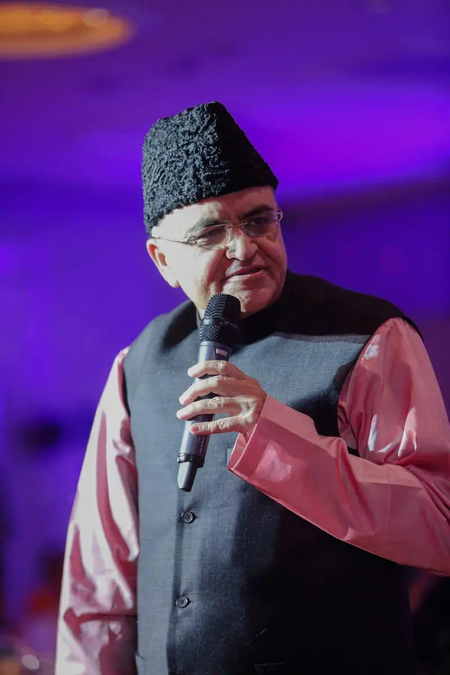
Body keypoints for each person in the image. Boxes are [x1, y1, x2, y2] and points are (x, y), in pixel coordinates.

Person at [55, 101, 450, 675]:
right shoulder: (136, 365)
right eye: (211, 232)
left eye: (259, 219)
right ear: (163, 260)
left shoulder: (367, 337)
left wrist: (276, 436)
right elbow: (99, 585)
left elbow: (439, 524)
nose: (244, 247)